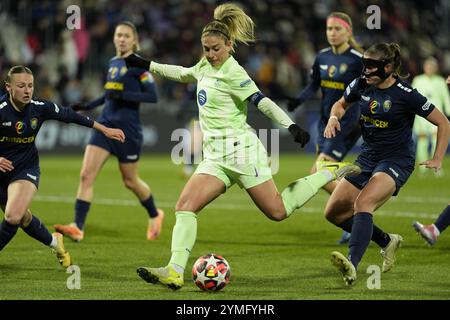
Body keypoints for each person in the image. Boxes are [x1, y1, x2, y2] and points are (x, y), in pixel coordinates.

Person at [124, 3, 361, 290]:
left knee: (278, 212)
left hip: (242, 153)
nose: (210, 55)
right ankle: (174, 271)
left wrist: (291, 126)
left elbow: (262, 102)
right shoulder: (205, 64)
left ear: (229, 46)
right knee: (185, 206)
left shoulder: (234, 72)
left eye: (215, 49)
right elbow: (184, 73)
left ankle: (328, 173)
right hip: (215, 157)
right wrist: (146, 64)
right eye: (206, 48)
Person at [323, 43, 450, 285]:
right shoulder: (360, 84)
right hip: (367, 158)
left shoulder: (406, 94)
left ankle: (352, 263)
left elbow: (444, 123)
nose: (366, 71)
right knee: (333, 213)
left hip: (396, 160)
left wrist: (437, 157)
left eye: (372, 66)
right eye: (365, 65)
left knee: (363, 202)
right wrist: (333, 117)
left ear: (388, 67)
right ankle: (386, 240)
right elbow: (340, 104)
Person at [0, 65, 125, 268]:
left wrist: (104, 129)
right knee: (22, 218)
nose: (27, 90)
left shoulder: (39, 107)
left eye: (30, 86)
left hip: (25, 168)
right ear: (8, 87)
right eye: (21, 86)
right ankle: (54, 242)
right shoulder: (2, 111)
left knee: (13, 215)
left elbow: (70, 116)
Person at [54, 22, 164, 242]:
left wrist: (125, 96)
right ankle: (78, 226)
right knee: (86, 175)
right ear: (114, 38)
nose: (122, 39)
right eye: (119, 35)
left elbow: (152, 96)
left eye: (126, 36)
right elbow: (109, 95)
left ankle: (155, 213)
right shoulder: (113, 63)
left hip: (128, 131)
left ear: (134, 40)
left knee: (130, 181)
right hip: (105, 125)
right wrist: (87, 105)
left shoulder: (139, 66)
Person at [287, 12, 364, 245]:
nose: (332, 33)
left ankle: (357, 207)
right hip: (325, 121)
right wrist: (299, 100)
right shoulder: (321, 57)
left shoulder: (357, 59)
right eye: (329, 29)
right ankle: (355, 210)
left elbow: (369, 87)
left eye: (337, 29)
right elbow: (313, 85)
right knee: (320, 170)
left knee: (318, 170)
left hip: (347, 121)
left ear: (348, 32)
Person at [412, 58, 450, 176]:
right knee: (422, 141)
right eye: (428, 66)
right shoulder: (418, 80)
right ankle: (423, 168)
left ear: (436, 68)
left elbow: (445, 97)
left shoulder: (439, 81)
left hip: (437, 115)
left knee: (437, 140)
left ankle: (437, 167)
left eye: (432, 66)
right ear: (424, 67)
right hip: (421, 117)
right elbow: (411, 97)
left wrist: (448, 111)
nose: (429, 69)